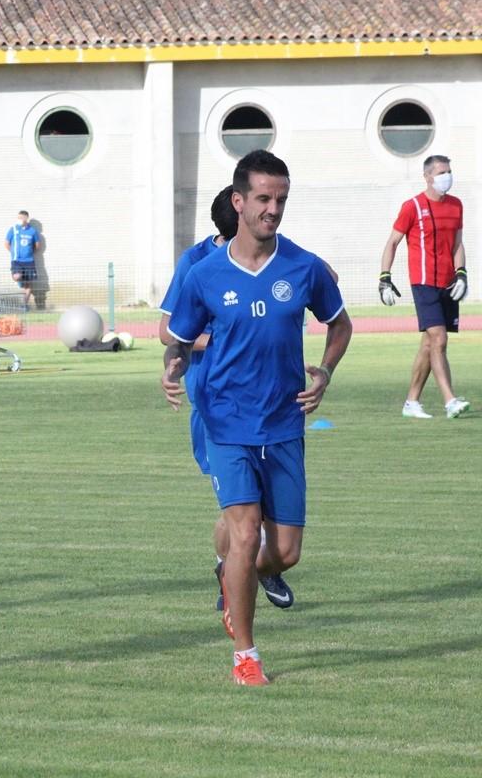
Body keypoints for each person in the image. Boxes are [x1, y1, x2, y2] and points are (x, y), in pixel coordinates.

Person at [162, 150, 352, 686]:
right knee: (244, 535)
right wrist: (171, 368)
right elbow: (175, 338)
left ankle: (233, 578)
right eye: (264, 199)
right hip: (226, 420)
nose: (273, 209)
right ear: (239, 202)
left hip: (285, 422)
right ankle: (246, 656)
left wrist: (326, 373)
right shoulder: (203, 274)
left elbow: (339, 326)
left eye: (281, 200)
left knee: (284, 552)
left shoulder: (305, 266)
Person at [159, 186, 296, 614]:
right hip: (217, 405)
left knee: (255, 517)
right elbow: (168, 330)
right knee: (239, 509)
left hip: (273, 408)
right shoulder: (197, 264)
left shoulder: (280, 255)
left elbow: (321, 274)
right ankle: (232, 568)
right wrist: (215, 337)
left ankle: (250, 565)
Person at [378, 155, 470, 419]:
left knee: (430, 344)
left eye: (449, 171)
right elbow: (393, 242)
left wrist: (461, 273)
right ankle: (450, 400)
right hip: (423, 282)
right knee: (439, 338)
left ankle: (411, 403)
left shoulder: (456, 206)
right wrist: (384, 277)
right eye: (442, 172)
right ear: (427, 176)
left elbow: (457, 243)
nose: (447, 176)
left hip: (447, 283)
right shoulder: (413, 207)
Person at [5, 210, 40, 309]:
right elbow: (6, 243)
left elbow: (37, 245)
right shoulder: (13, 229)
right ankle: (20, 280)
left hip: (29, 261)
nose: (19, 220)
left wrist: (29, 252)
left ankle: (24, 305)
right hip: (17, 261)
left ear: (26, 218)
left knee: (28, 285)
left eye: (21, 218)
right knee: (17, 276)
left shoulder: (32, 231)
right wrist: (13, 252)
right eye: (18, 218)